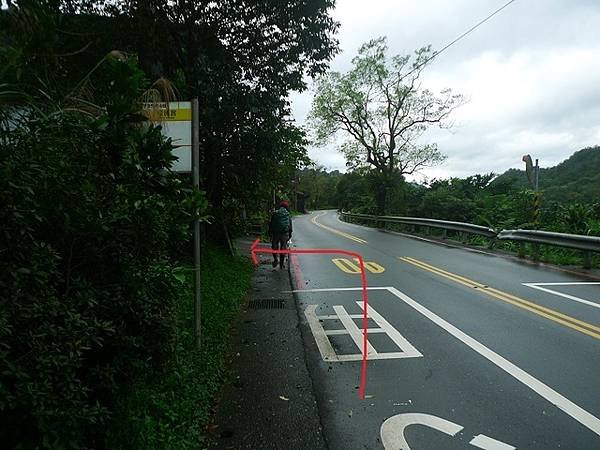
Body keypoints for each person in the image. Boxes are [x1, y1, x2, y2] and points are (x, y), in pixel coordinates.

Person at [268, 200, 292, 269]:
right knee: (283, 248)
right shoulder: (287, 214)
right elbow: (290, 226)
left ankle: (275, 259)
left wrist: (270, 233)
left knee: (274, 246)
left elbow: (271, 224)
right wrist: (290, 235)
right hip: (284, 234)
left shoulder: (275, 213)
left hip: (276, 233)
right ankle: (281, 264)